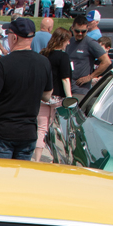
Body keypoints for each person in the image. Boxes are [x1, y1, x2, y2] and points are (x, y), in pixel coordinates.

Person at [0, 17, 52, 160]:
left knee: (1, 173)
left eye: (8, 34)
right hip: (28, 131)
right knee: (20, 173)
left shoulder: (3, 64)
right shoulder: (44, 62)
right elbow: (47, 95)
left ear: (14, 37)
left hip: (2, 132)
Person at [35, 26, 73, 162]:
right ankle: (55, 158)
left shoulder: (43, 54)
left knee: (41, 129)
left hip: (43, 96)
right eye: (67, 40)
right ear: (62, 40)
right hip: (58, 98)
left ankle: (37, 159)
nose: (69, 43)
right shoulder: (63, 56)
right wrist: (70, 98)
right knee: (56, 130)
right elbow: (65, 79)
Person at [66, 14, 110, 99]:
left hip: (80, 91)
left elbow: (106, 62)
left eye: (83, 31)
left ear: (87, 29)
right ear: (72, 28)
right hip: (66, 88)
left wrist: (90, 77)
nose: (80, 34)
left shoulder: (90, 43)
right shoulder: (68, 41)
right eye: (77, 31)